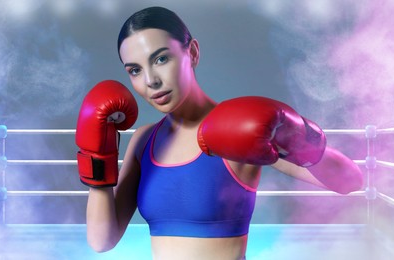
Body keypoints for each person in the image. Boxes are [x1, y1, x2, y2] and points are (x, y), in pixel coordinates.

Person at [75, 6, 364, 260]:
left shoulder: (236, 128)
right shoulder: (144, 140)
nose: (151, 80)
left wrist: (299, 137)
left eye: (161, 59)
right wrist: (97, 154)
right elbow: (102, 241)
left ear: (193, 53)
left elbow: (349, 181)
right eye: (135, 70)